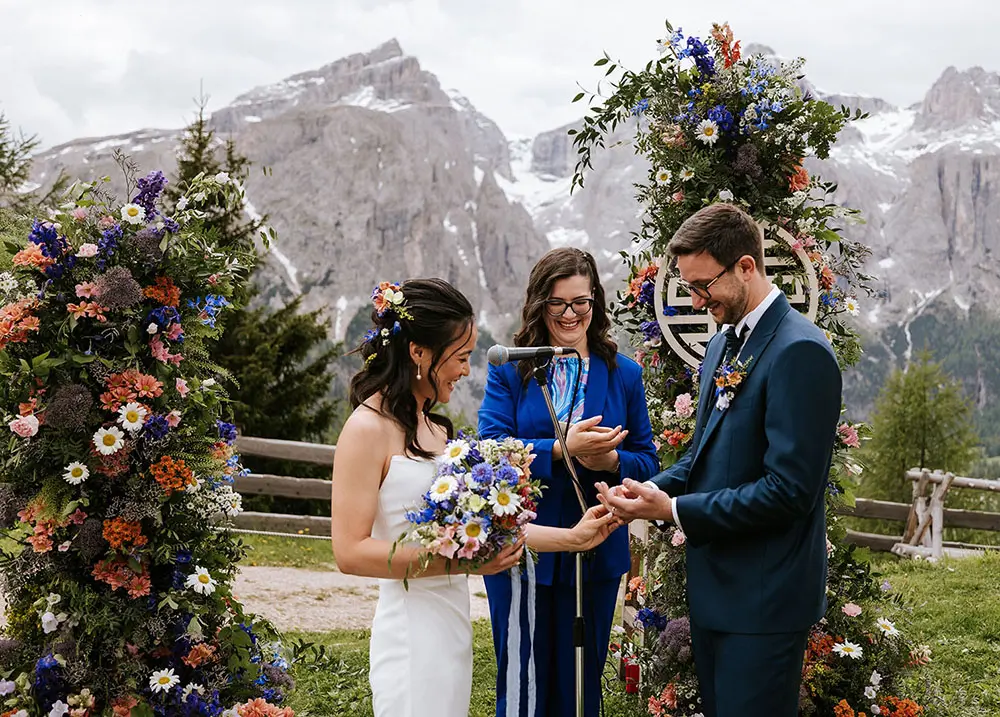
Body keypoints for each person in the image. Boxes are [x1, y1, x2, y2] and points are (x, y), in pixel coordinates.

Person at [331, 277, 622, 717]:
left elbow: (489, 532)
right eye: (461, 357)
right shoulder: (365, 430)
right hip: (411, 633)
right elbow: (350, 552)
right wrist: (462, 563)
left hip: (451, 625)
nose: (467, 370)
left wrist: (574, 538)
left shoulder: (436, 429)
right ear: (419, 353)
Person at [596, 204, 843, 717]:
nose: (695, 299)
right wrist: (642, 494)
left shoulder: (800, 351)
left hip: (764, 599)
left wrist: (674, 512)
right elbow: (705, 456)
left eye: (703, 286)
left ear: (747, 268)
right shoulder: (723, 347)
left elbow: (790, 491)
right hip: (717, 593)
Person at [478, 248, 660, 717]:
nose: (570, 314)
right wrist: (562, 449)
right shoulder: (511, 369)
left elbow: (649, 463)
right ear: (539, 304)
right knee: (523, 681)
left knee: (581, 688)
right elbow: (491, 450)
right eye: (557, 303)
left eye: (581, 302)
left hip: (596, 553)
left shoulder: (624, 374)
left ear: (595, 301)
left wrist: (612, 459)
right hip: (525, 548)